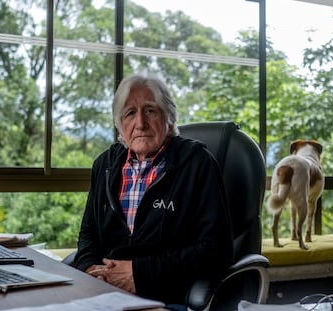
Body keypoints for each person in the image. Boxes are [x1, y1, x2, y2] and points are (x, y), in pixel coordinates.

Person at [72, 73, 234, 308]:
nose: (140, 123)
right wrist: (90, 269)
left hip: (164, 298)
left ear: (169, 118)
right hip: (103, 294)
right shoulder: (105, 165)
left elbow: (216, 251)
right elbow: (89, 234)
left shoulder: (197, 163)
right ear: (120, 125)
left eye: (150, 111)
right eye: (130, 113)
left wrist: (139, 273)